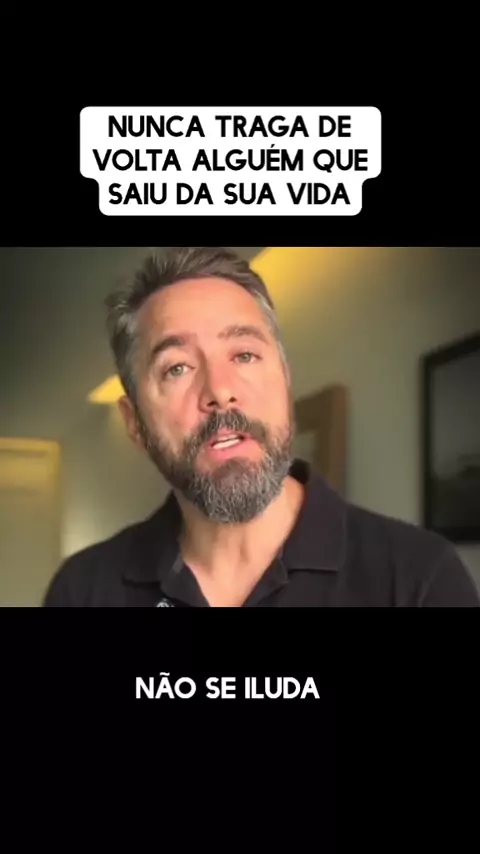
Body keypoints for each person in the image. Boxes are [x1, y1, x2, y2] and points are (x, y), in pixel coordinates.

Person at [43, 247, 480, 607]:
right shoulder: (82, 592)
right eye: (177, 368)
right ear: (134, 422)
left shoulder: (419, 579)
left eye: (244, 355)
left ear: (285, 379)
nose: (220, 390)